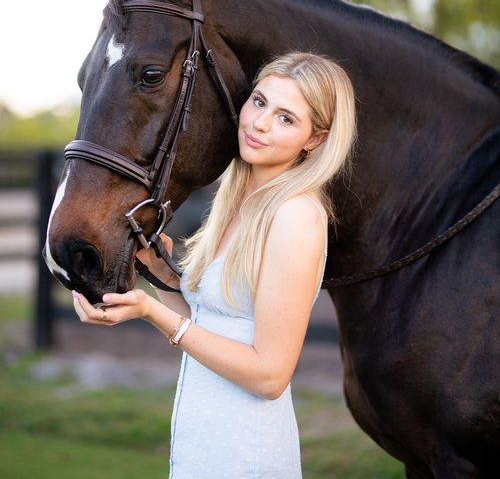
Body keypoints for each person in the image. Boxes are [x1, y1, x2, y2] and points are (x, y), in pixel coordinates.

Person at [72, 51, 357, 478]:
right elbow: (213, 320)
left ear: (314, 139)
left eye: (286, 118)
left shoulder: (295, 216)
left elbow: (269, 375)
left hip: (247, 453)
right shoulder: (238, 201)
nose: (259, 123)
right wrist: (161, 277)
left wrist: (154, 315)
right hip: (202, 443)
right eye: (259, 102)